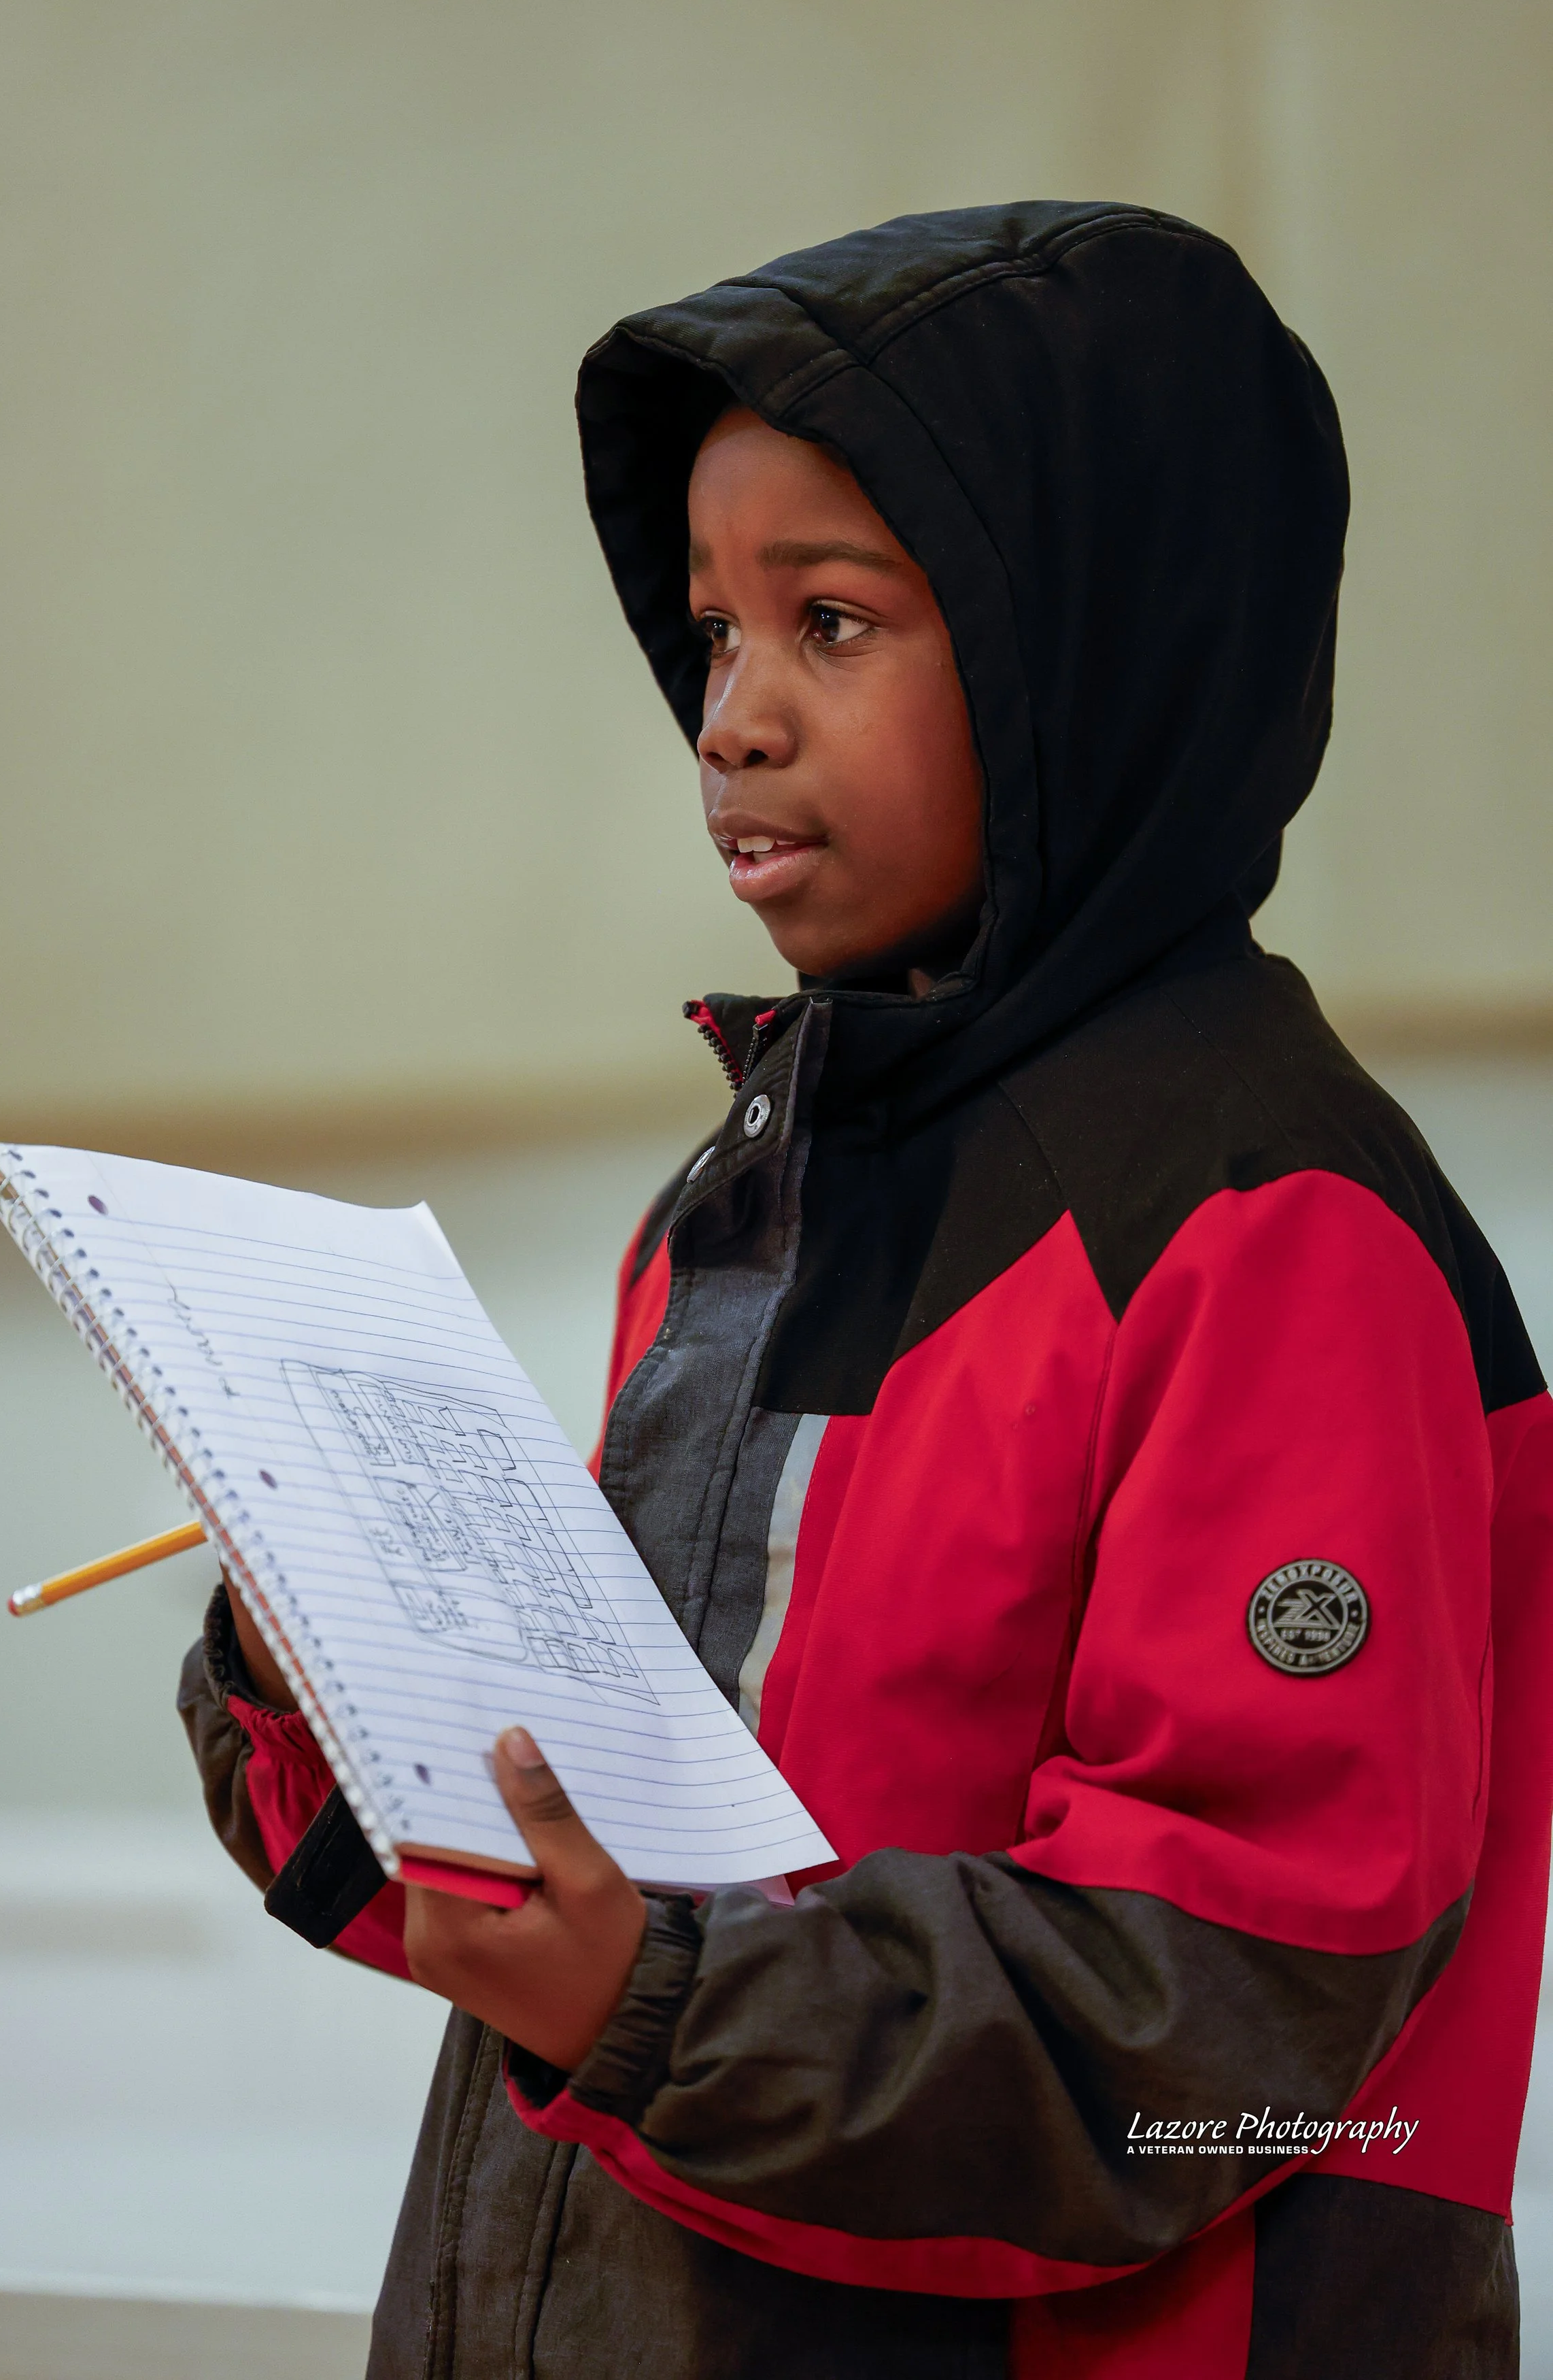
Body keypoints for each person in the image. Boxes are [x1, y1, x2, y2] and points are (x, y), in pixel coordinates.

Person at [178, 201, 1553, 2378]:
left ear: (1087, 646)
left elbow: (1229, 2031)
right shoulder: (742, 1195)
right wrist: (329, 1659)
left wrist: (644, 1990)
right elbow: (579, 1894)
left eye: (830, 621)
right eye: (708, 630)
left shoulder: (1274, 1226)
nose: (728, 716)